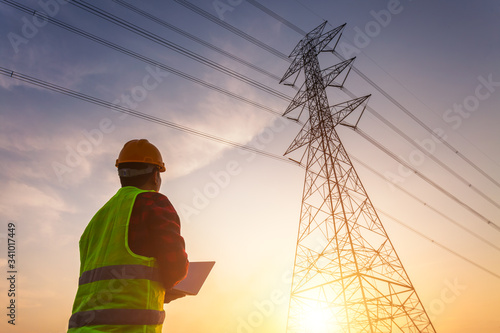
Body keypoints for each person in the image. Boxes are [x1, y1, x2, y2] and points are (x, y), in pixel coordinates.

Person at [67, 139, 189, 333]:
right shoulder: (153, 202)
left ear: (121, 175)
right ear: (156, 175)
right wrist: (169, 286)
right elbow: (175, 266)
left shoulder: (97, 220)